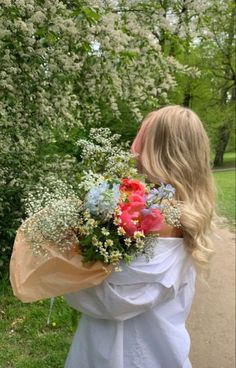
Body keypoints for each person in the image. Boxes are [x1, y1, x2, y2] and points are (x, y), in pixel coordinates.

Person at [64, 105, 216, 368]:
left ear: (158, 150)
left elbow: (107, 300)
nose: (136, 148)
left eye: (143, 138)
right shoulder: (191, 215)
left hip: (113, 353)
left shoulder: (146, 216)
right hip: (162, 352)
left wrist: (66, 263)